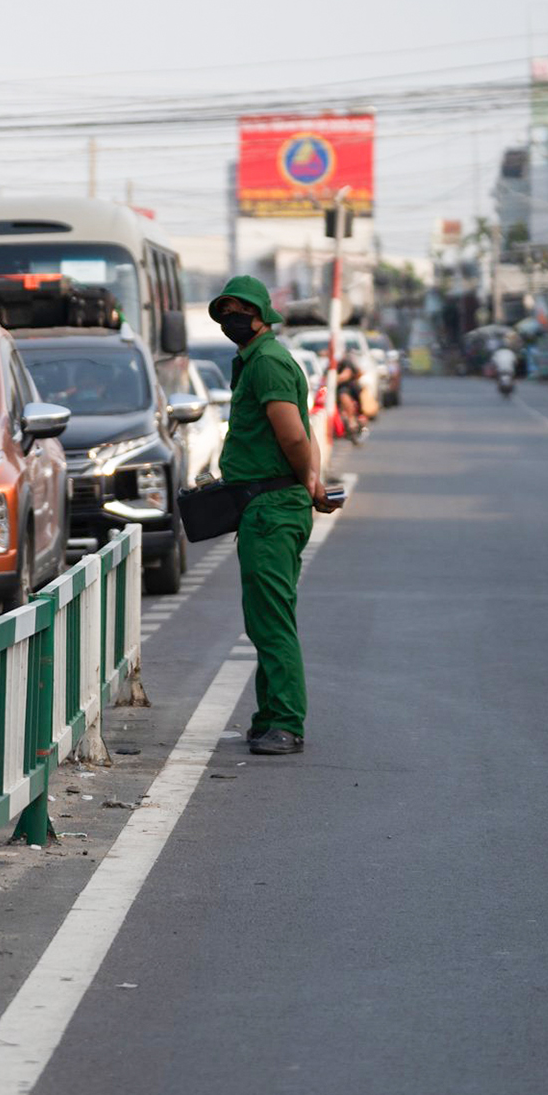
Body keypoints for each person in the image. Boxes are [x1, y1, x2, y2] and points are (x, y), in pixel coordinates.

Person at [209, 276, 341, 757]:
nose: (231, 319)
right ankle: (269, 716)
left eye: (240, 310)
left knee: (272, 618)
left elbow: (292, 435)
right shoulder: (255, 360)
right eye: (223, 312)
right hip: (262, 503)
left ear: (263, 314)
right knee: (263, 615)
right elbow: (295, 435)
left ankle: (285, 721)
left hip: (272, 505)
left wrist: (310, 480)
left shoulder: (266, 362)